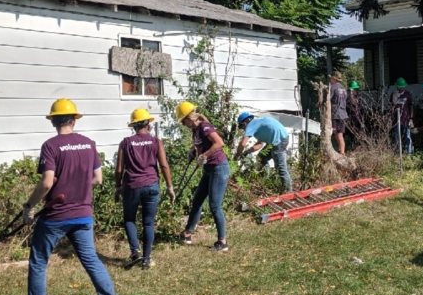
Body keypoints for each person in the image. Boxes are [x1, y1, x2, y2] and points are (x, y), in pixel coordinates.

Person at [17, 99, 127, 295]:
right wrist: (77, 185)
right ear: (74, 119)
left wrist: (28, 206)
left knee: (38, 263)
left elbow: (47, 183)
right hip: (83, 214)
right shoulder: (88, 144)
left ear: (53, 121)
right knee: (91, 261)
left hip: (55, 216)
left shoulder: (50, 145)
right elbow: (98, 179)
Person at [114, 108, 176, 270]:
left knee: (129, 219)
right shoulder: (156, 142)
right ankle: (147, 259)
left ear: (133, 126)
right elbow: (163, 165)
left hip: (132, 186)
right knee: (148, 223)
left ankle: (135, 252)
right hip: (151, 185)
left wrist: (117, 187)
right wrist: (170, 186)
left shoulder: (125, 143)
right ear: (148, 125)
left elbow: (119, 169)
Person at [175, 101, 230, 252]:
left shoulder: (204, 127)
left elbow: (219, 143)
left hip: (219, 167)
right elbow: (200, 144)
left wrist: (204, 155)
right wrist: (193, 151)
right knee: (197, 200)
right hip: (209, 168)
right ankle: (187, 234)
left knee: (214, 206)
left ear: (189, 117)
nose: (182, 124)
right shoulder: (195, 130)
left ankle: (222, 242)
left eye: (183, 120)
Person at [236, 112, 292, 191]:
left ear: (244, 123)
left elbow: (242, 143)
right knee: (261, 158)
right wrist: (246, 152)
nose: (243, 129)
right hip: (277, 139)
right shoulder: (258, 124)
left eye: (242, 127)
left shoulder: (250, 125)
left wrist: (237, 155)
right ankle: (265, 181)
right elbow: (260, 144)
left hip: (279, 140)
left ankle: (289, 192)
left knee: (280, 167)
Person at [390, 77, 414, 155]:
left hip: (406, 118)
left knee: (408, 135)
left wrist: (411, 118)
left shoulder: (408, 95)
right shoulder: (394, 94)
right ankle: (398, 152)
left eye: (402, 86)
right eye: (399, 86)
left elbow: (411, 107)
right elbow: (392, 107)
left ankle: (409, 152)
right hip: (397, 118)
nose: (400, 88)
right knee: (397, 135)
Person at [329, 72, 349, 156]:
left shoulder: (333, 88)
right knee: (340, 134)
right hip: (343, 114)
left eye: (331, 78)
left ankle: (342, 153)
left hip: (335, 114)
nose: (330, 79)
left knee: (337, 134)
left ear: (334, 78)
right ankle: (341, 151)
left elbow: (327, 99)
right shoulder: (343, 88)